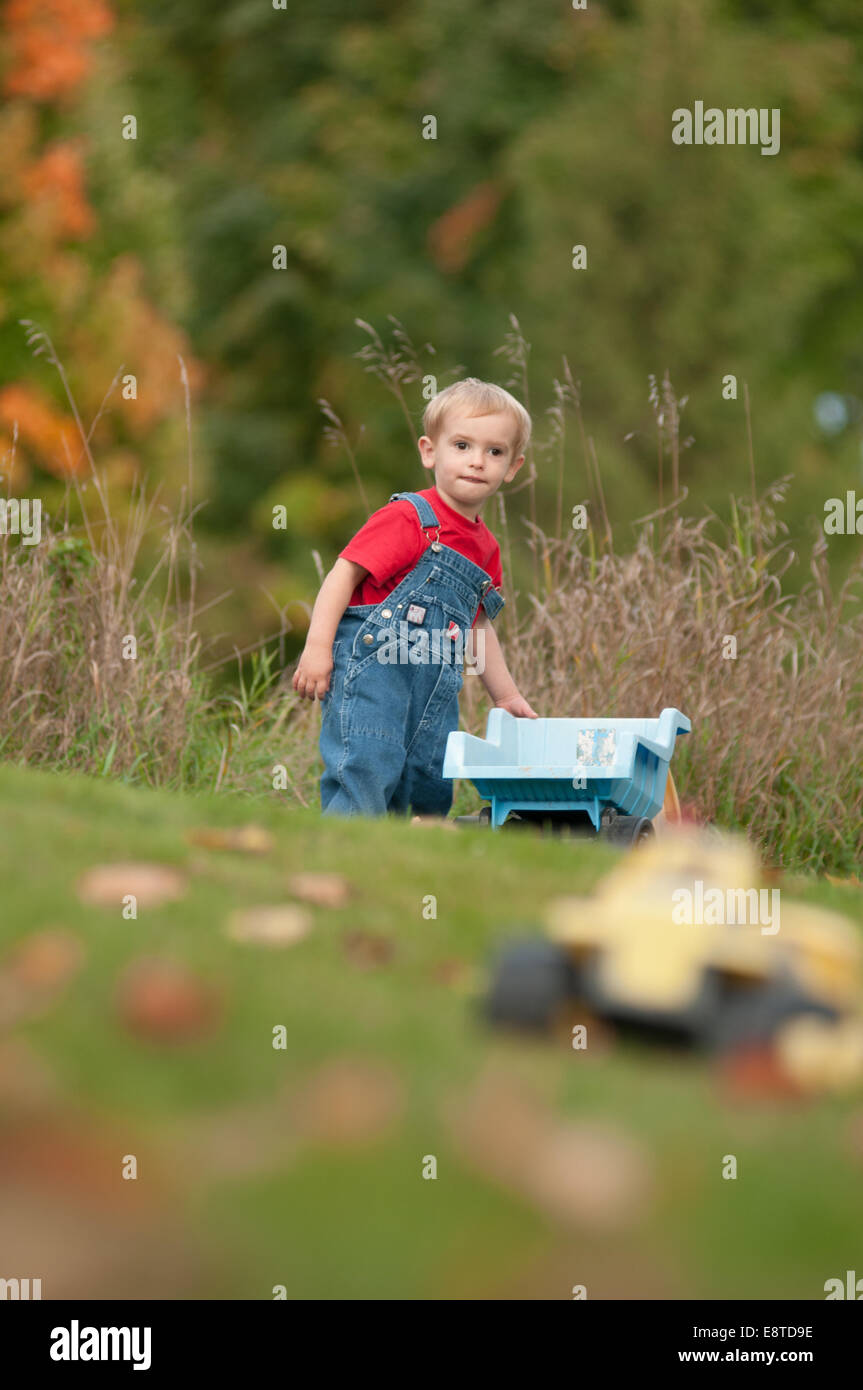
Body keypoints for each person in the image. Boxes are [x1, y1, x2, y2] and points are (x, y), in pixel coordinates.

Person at [293, 378, 539, 817]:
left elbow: (477, 627)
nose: (477, 461)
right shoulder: (409, 518)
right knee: (366, 768)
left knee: (426, 782)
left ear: (514, 466)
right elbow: (342, 575)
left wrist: (504, 696)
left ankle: (408, 869)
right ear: (430, 451)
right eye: (462, 445)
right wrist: (317, 649)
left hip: (433, 695)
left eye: (494, 452)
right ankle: (338, 857)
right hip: (374, 680)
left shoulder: (486, 549)